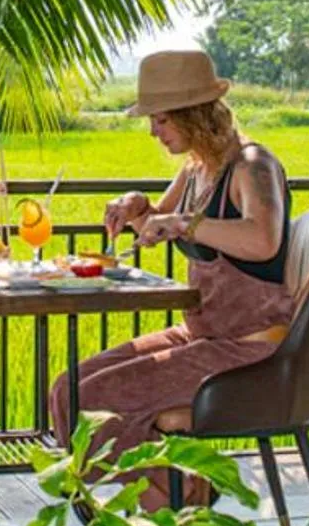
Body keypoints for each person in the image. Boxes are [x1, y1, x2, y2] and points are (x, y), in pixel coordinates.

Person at [50, 50, 292, 499]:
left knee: (97, 400)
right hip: (203, 334)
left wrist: (185, 223)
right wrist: (136, 206)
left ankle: (172, 509)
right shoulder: (197, 168)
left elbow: (264, 239)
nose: (152, 131)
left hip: (248, 348)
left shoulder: (252, 166)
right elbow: (156, 224)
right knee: (67, 391)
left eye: (160, 120)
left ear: (194, 116)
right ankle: (183, 491)